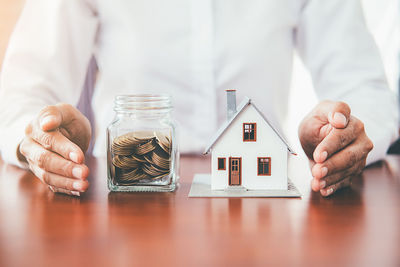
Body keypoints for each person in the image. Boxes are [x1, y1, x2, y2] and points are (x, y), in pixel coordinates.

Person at [0, 0, 397, 197]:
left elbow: (364, 91)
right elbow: (23, 92)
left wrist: (336, 131)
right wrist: (42, 134)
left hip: (262, 201)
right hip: (127, 200)